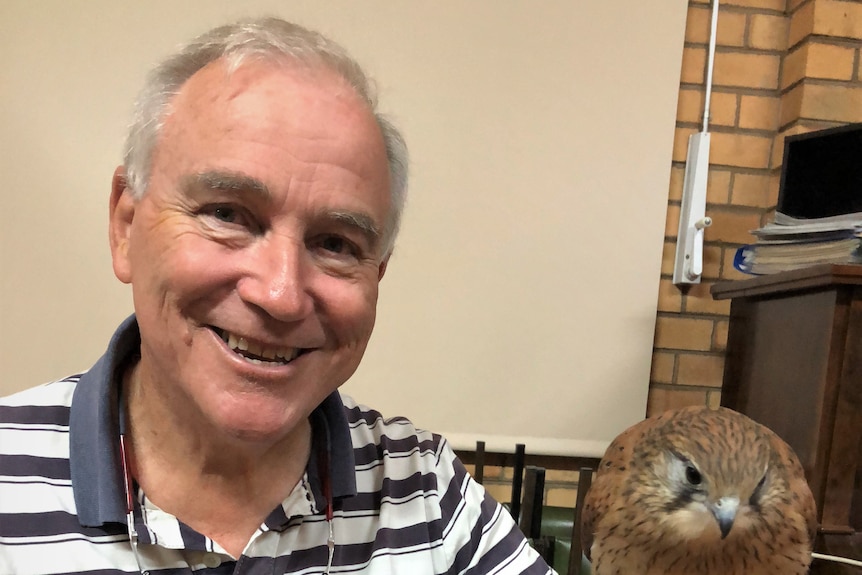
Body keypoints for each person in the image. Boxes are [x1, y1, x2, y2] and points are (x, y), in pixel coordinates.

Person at [0, 16, 553, 575]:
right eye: (226, 215)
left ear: (377, 274)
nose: (282, 295)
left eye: (335, 243)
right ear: (126, 224)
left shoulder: (428, 495)